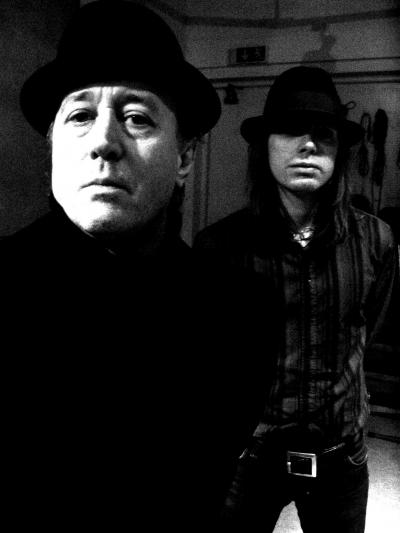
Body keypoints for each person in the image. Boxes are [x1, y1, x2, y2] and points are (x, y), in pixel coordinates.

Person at [1, 1, 267, 529]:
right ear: (52, 148)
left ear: (184, 157)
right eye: (80, 116)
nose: (104, 142)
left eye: (137, 118)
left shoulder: (238, 310)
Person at [194, 66, 399, 532]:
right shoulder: (219, 247)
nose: (308, 145)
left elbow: (369, 325)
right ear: (264, 146)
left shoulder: (377, 240)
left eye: (323, 134)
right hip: (251, 454)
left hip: (340, 454)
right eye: (290, 131)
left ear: (339, 151)